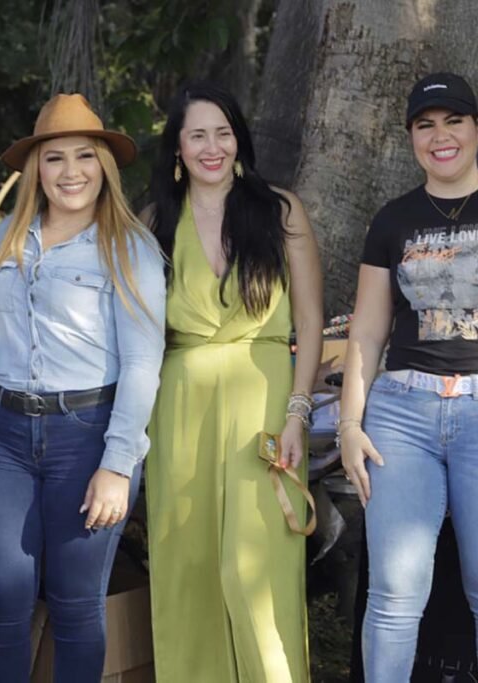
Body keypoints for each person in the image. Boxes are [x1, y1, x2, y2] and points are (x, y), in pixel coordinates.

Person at [339, 72, 478, 681]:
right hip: (402, 416)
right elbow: (366, 333)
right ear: (411, 136)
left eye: (453, 122)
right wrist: (349, 424)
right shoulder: (392, 220)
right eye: (424, 125)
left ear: (476, 131)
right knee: (393, 594)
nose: (440, 137)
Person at [0, 93, 166, 682]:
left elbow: (142, 362)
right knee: (2, 596)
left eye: (85, 156)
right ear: (37, 168)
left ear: (104, 166)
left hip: (88, 435)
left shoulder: (129, 245)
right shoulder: (7, 234)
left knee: (75, 604)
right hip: (4, 433)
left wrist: (117, 463)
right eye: (55, 158)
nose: (71, 171)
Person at [144, 82, 323, 682]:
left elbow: (310, 321)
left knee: (258, 569)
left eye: (222, 132)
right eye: (197, 135)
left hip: (265, 404)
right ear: (178, 149)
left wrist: (298, 413)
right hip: (180, 405)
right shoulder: (153, 221)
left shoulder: (279, 210)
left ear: (239, 141)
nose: (211, 146)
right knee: (188, 565)